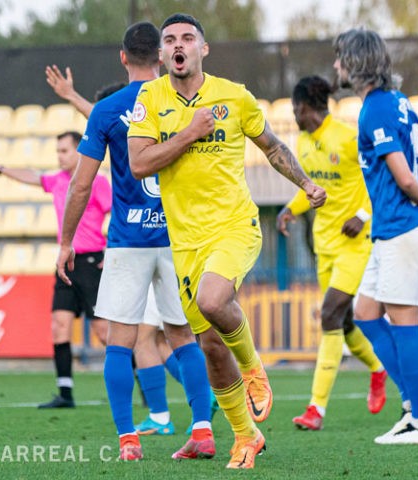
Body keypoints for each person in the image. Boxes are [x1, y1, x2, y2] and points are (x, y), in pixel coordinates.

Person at [127, 13, 327, 469]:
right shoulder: (150, 99)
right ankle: (245, 436)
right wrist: (190, 132)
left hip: (234, 225)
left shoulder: (234, 96)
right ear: (161, 54)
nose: (179, 45)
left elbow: (273, 146)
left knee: (216, 301)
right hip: (186, 241)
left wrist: (305, 184)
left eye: (188, 39)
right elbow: (139, 163)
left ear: (203, 49)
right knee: (212, 348)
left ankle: (255, 368)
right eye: (170, 40)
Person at [55, 21, 215, 463]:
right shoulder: (183, 102)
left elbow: (82, 186)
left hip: (128, 240)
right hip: (178, 238)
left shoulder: (108, 111)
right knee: (183, 337)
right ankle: (201, 428)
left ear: (123, 58)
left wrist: (66, 242)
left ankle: (129, 438)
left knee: (120, 342)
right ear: (162, 56)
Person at [332, 28, 418, 445]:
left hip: (402, 227)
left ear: (355, 63)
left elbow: (406, 176)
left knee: (405, 321)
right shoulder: (401, 104)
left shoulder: (375, 110)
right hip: (395, 227)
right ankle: (413, 405)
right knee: (366, 311)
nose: (336, 66)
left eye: (341, 59)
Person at [276, 75, 387, 432]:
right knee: (345, 322)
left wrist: (363, 215)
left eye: (294, 109)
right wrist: (291, 208)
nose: (293, 115)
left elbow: (380, 180)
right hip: (323, 246)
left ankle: (315, 409)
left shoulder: (347, 138)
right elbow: (311, 188)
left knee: (328, 315)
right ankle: (378, 368)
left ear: (303, 107)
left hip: (355, 244)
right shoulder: (304, 142)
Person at [0, 131, 111, 409]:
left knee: (103, 331)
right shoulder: (57, 181)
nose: (59, 156)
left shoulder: (97, 183)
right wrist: (0, 168)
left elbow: (118, 214)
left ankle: (140, 381)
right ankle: (65, 393)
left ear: (79, 151)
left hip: (91, 263)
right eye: (57, 151)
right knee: (59, 326)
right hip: (65, 264)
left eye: (64, 150)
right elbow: (32, 176)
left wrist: (111, 251)